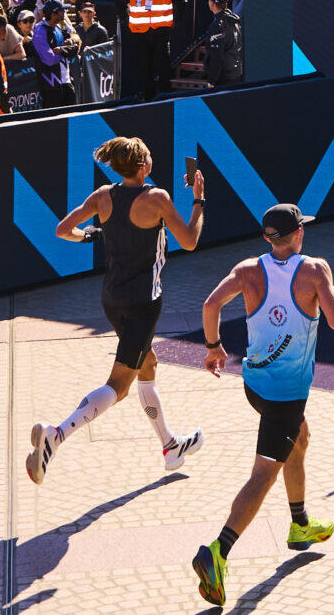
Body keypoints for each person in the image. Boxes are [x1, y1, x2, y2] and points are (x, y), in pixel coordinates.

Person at [29, 137, 207, 484]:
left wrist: (88, 236)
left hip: (112, 299)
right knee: (119, 386)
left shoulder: (103, 196)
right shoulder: (157, 198)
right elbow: (189, 240)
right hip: (143, 305)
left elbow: (62, 230)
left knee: (148, 363)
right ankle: (56, 436)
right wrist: (199, 201)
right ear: (144, 167)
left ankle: (170, 447)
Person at [193, 203, 334, 606]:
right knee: (263, 474)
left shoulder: (247, 270)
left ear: (267, 237)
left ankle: (299, 523)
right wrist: (333, 293)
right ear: (298, 234)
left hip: (255, 385)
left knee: (300, 437)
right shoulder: (315, 270)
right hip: (286, 396)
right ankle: (218, 551)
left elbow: (210, 305)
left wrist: (213, 347)